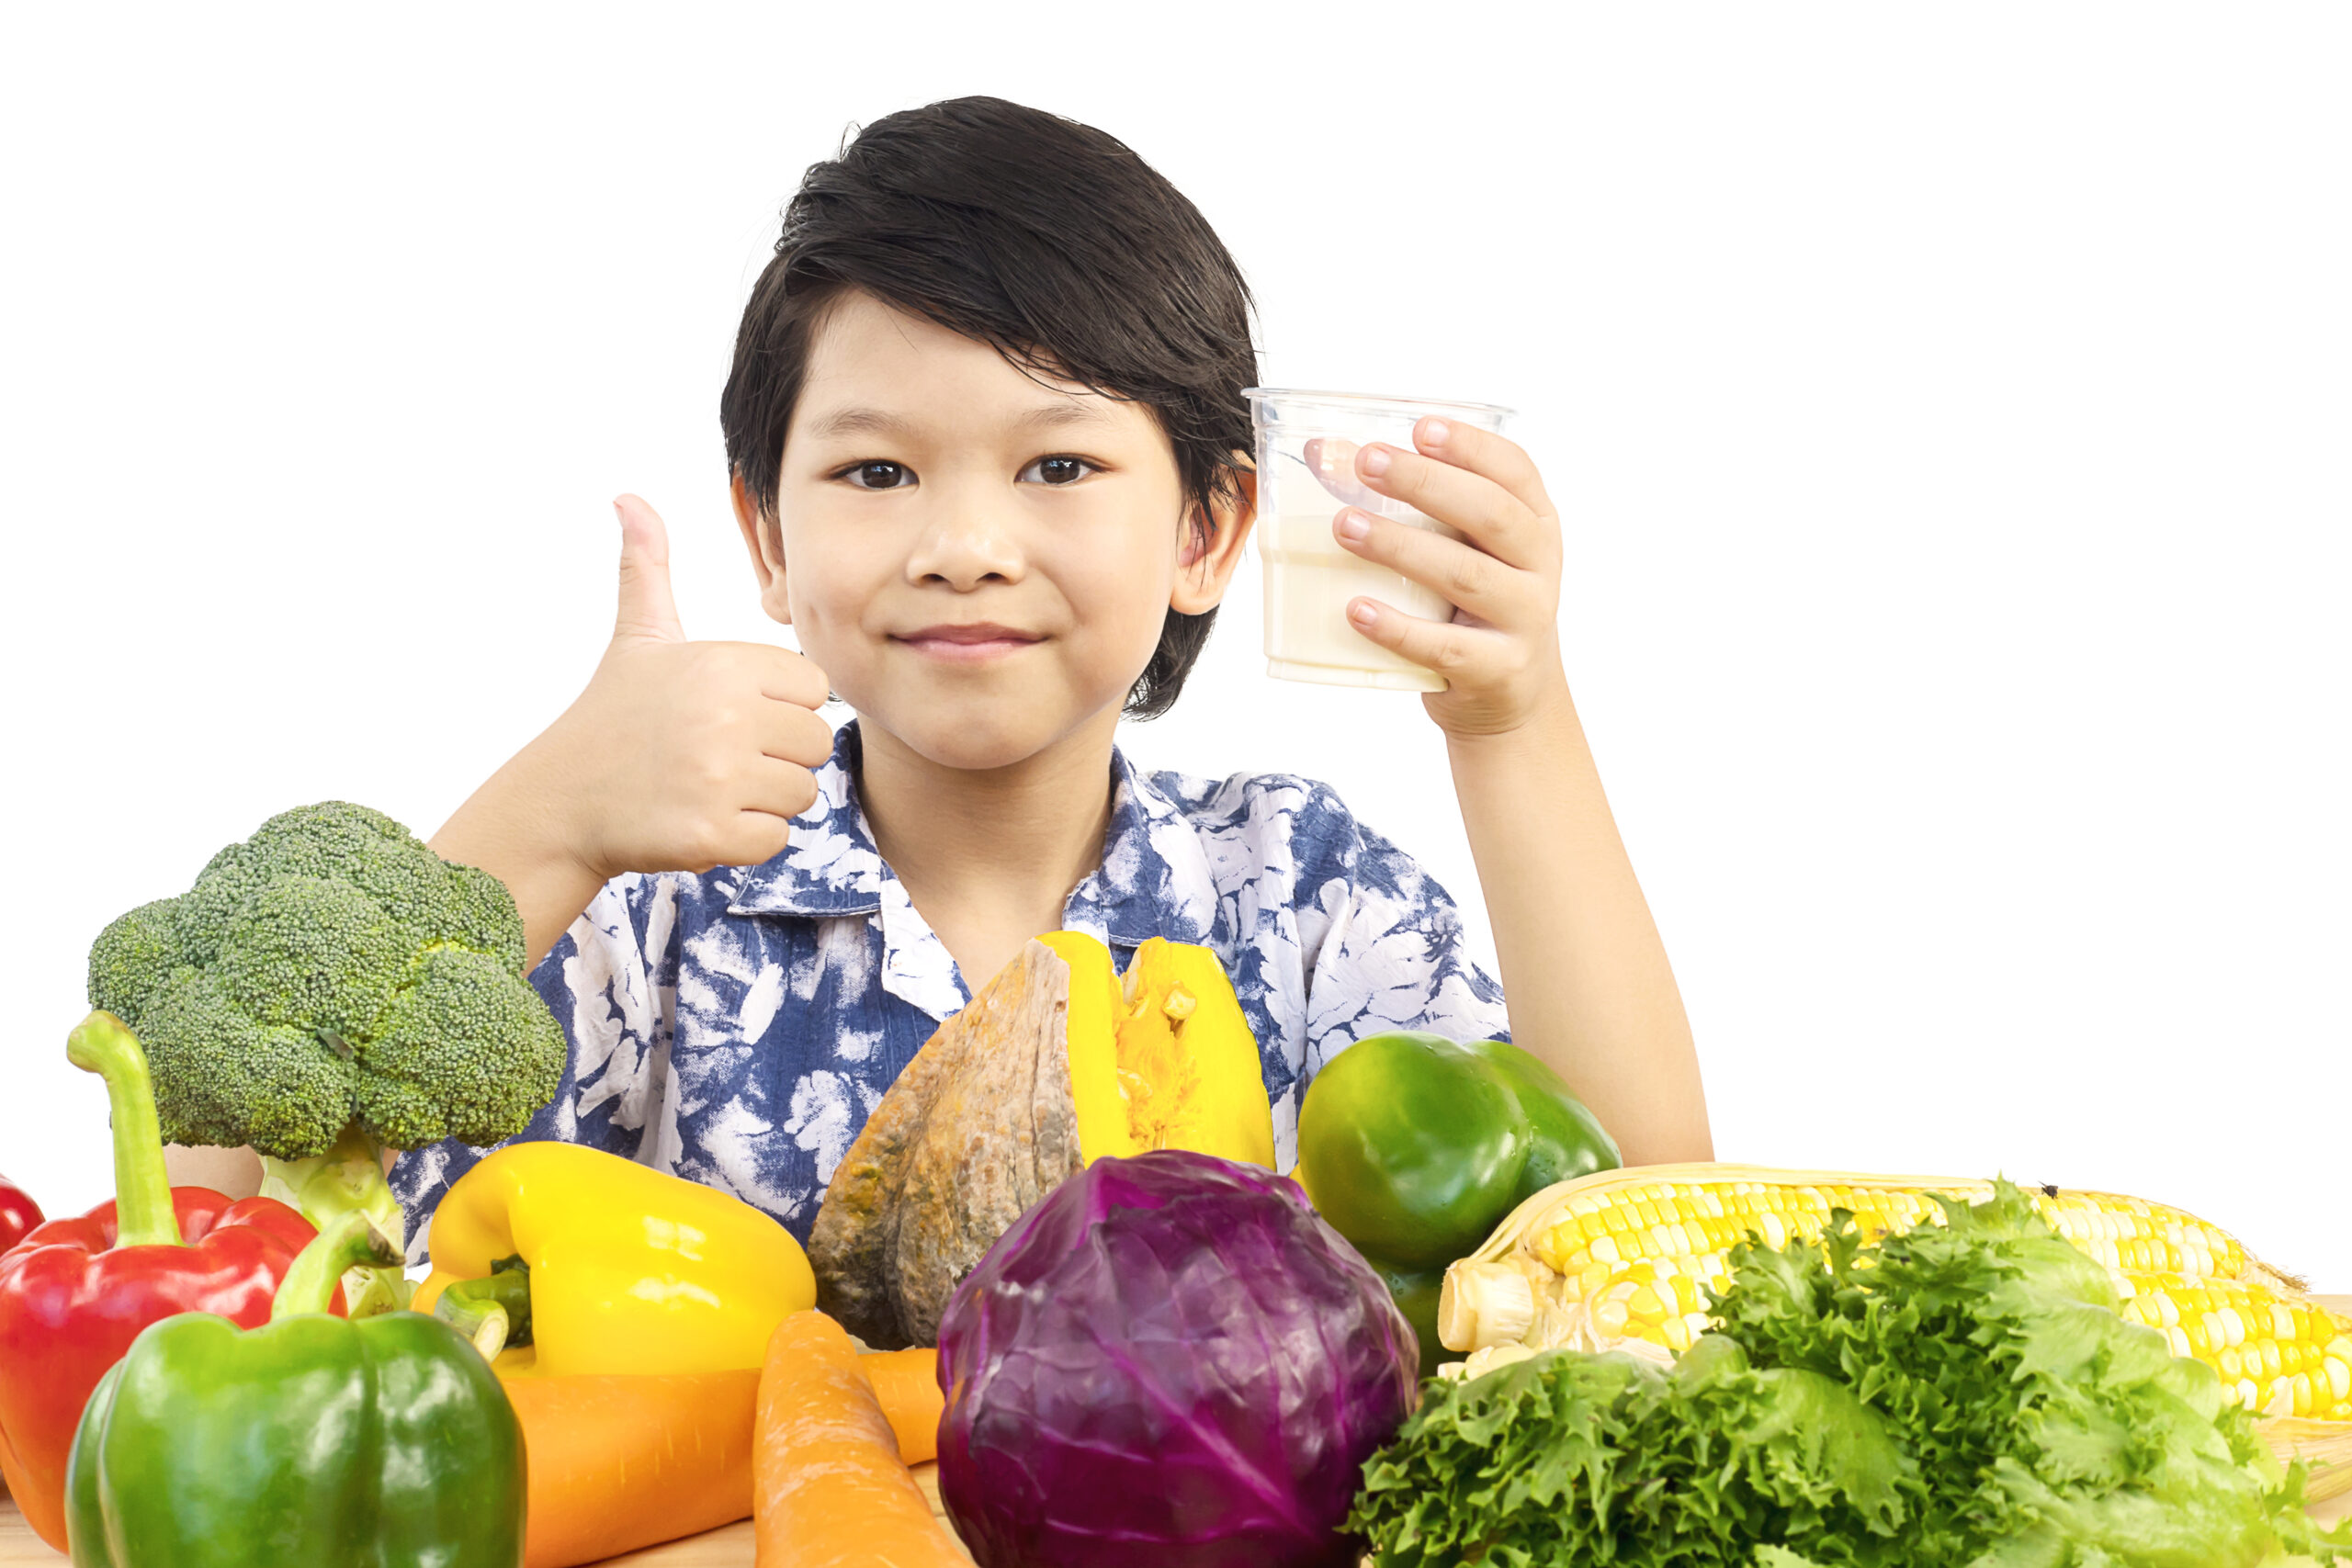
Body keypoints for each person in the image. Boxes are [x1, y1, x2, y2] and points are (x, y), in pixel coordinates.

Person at [172, 96, 1711, 1258]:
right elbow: (201, 1268)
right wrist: (547, 820)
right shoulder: (647, 908)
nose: (967, 543)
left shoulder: (1301, 896)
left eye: (1056, 462)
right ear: (764, 540)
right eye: (877, 471)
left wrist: (1513, 722)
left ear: (1209, 525)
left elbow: (1641, 1244)